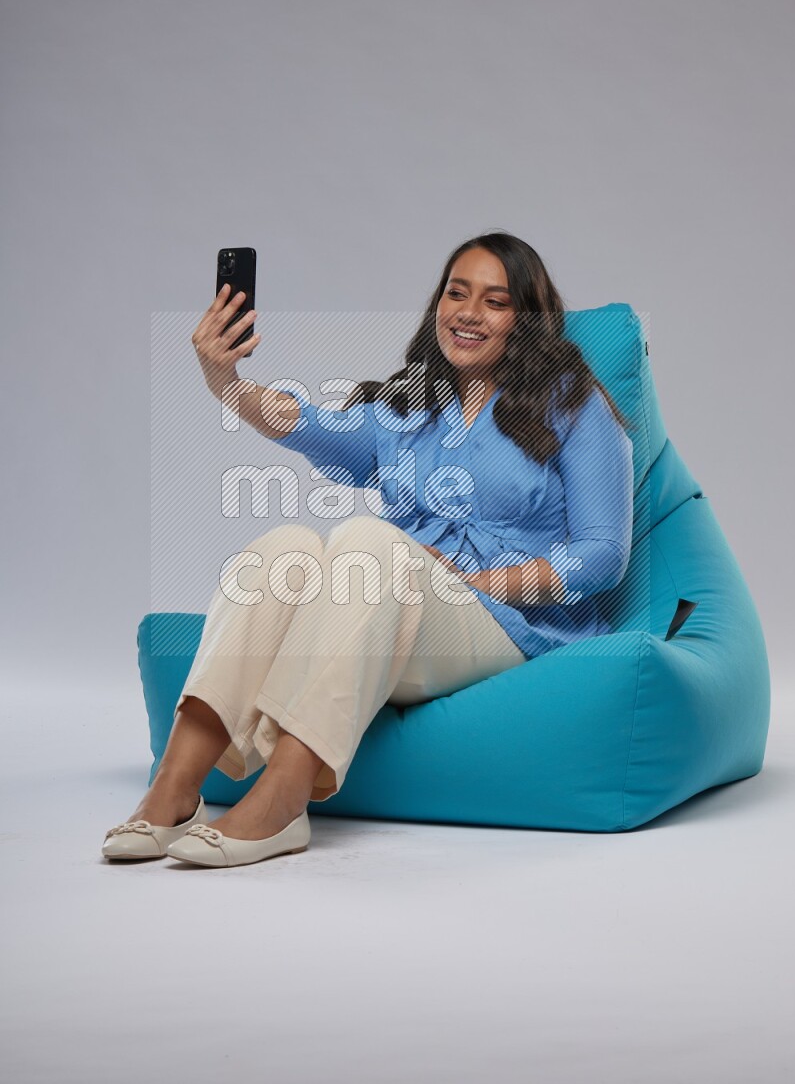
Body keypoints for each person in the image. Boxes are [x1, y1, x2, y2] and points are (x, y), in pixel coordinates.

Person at [101, 231, 635, 868]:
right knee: (284, 548)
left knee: (366, 542)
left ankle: (282, 803)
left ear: (528, 321)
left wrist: (477, 582)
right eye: (455, 292)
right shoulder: (408, 405)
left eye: (495, 301)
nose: (467, 312)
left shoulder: (574, 404)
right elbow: (305, 421)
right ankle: (174, 789)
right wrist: (225, 380)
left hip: (506, 624)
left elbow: (604, 554)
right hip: (394, 613)